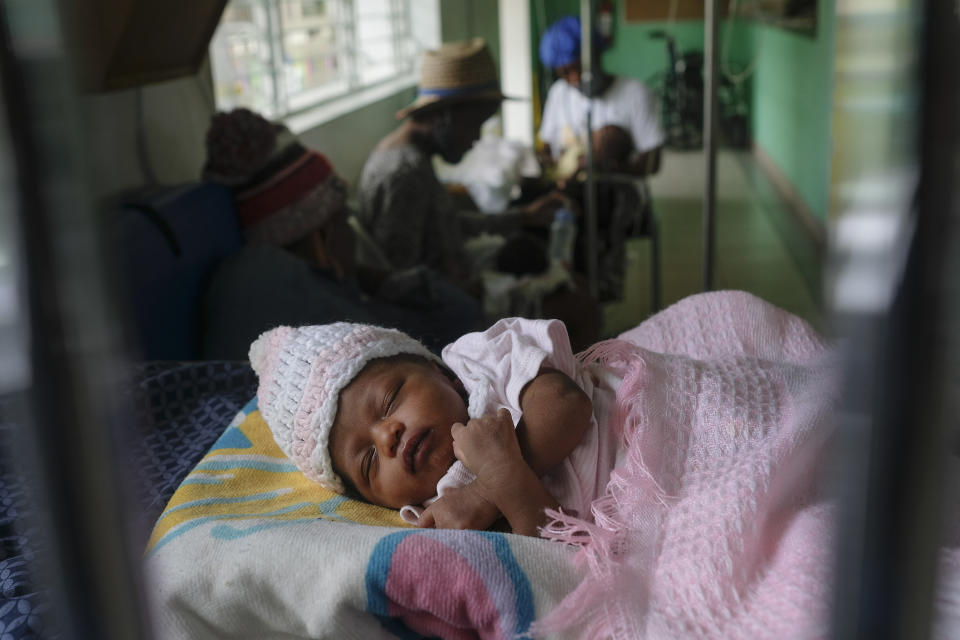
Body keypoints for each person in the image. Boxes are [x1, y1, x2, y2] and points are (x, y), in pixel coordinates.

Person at [249, 291, 832, 538]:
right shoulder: (439, 512)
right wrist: (498, 492)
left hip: (662, 415)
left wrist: (489, 487)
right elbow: (546, 534)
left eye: (389, 399)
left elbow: (567, 408)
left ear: (436, 368)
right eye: (369, 459)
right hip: (660, 497)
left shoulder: (482, 364)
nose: (389, 434)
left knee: (806, 419)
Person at [200, 108, 483, 359]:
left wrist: (365, 279)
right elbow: (457, 326)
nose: (351, 231)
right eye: (345, 220)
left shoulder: (264, 270)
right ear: (320, 235)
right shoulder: (310, 305)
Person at [356, 38, 567, 285]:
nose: (476, 139)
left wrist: (522, 216)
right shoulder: (403, 174)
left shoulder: (414, 159)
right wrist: (471, 294)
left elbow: (447, 225)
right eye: (474, 125)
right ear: (445, 115)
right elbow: (400, 284)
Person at [538, 15, 665, 177]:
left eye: (580, 68)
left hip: (620, 191)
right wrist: (545, 159)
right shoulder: (558, 93)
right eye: (565, 73)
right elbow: (547, 145)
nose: (575, 78)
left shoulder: (635, 93)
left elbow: (653, 163)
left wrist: (608, 170)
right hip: (570, 191)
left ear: (596, 55)